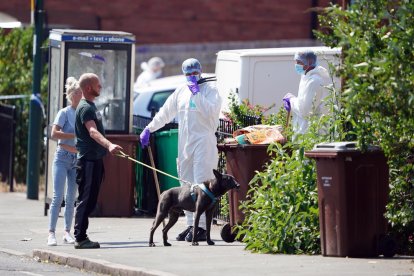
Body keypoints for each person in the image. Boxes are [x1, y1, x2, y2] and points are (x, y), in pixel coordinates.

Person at [140, 58, 222, 242]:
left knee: (201, 184)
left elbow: (211, 112)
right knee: (187, 186)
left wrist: (197, 94)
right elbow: (165, 112)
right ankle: (191, 225)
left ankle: (200, 228)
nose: (192, 77)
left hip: (203, 142)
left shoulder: (211, 91)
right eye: (188, 74)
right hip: (186, 144)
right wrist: (149, 128)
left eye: (194, 73)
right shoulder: (181, 91)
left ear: (200, 71)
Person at [73, 73, 123, 249]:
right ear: (88, 88)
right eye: (98, 85)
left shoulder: (91, 106)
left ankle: (82, 236)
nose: (100, 87)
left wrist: (106, 148)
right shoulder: (85, 108)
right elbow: (93, 132)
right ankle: (80, 238)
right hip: (87, 161)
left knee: (91, 199)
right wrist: (109, 145)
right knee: (86, 199)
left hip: (95, 160)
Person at [47, 77, 82, 246]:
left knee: (71, 198)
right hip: (62, 157)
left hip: (76, 159)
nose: (80, 95)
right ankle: (51, 233)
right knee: (57, 196)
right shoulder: (64, 112)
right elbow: (54, 133)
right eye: (77, 92)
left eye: (81, 92)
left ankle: (67, 232)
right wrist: (73, 135)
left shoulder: (83, 112)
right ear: (71, 95)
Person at [282, 50, 330, 140]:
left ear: (310, 62)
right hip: (303, 131)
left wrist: (291, 100)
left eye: (299, 62)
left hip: (310, 134)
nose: (296, 65)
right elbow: (303, 101)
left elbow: (305, 111)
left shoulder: (314, 81)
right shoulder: (306, 76)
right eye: (296, 62)